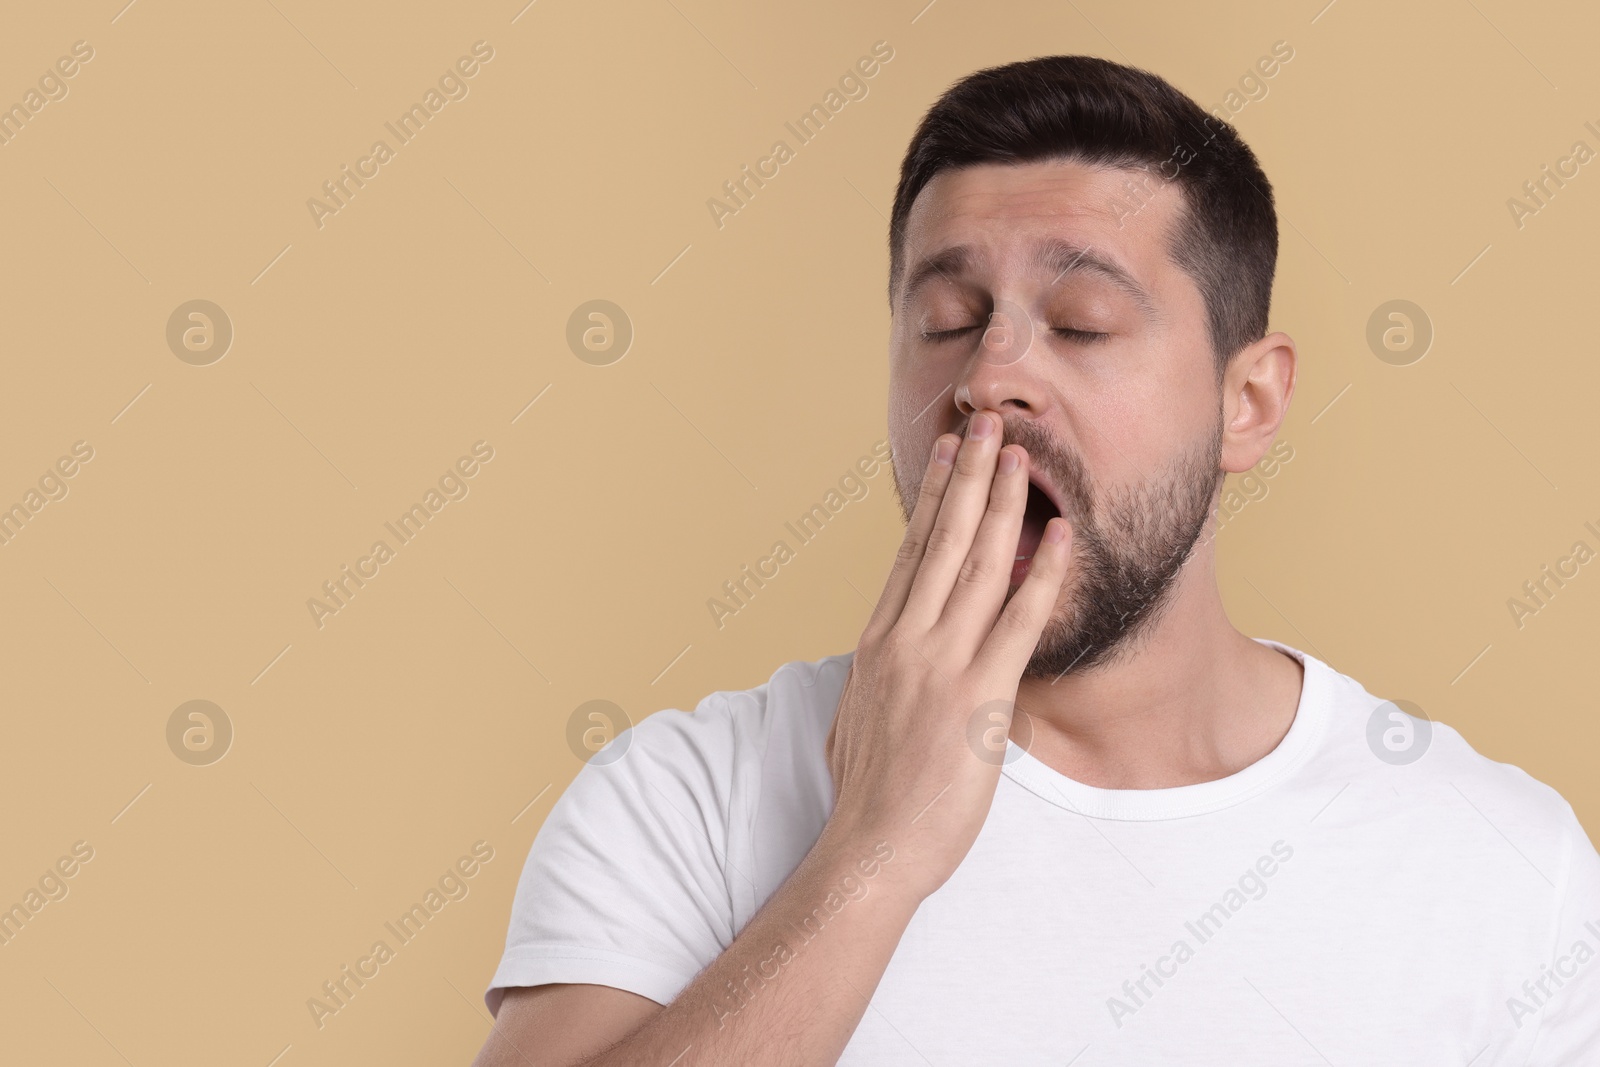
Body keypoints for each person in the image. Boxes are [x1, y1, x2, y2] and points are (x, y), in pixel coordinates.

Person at [474, 55, 1600, 1065]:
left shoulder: (1502, 865)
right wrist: (872, 852)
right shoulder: (689, 796)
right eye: (951, 318)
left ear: (1245, 402)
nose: (989, 376)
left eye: (1080, 322)